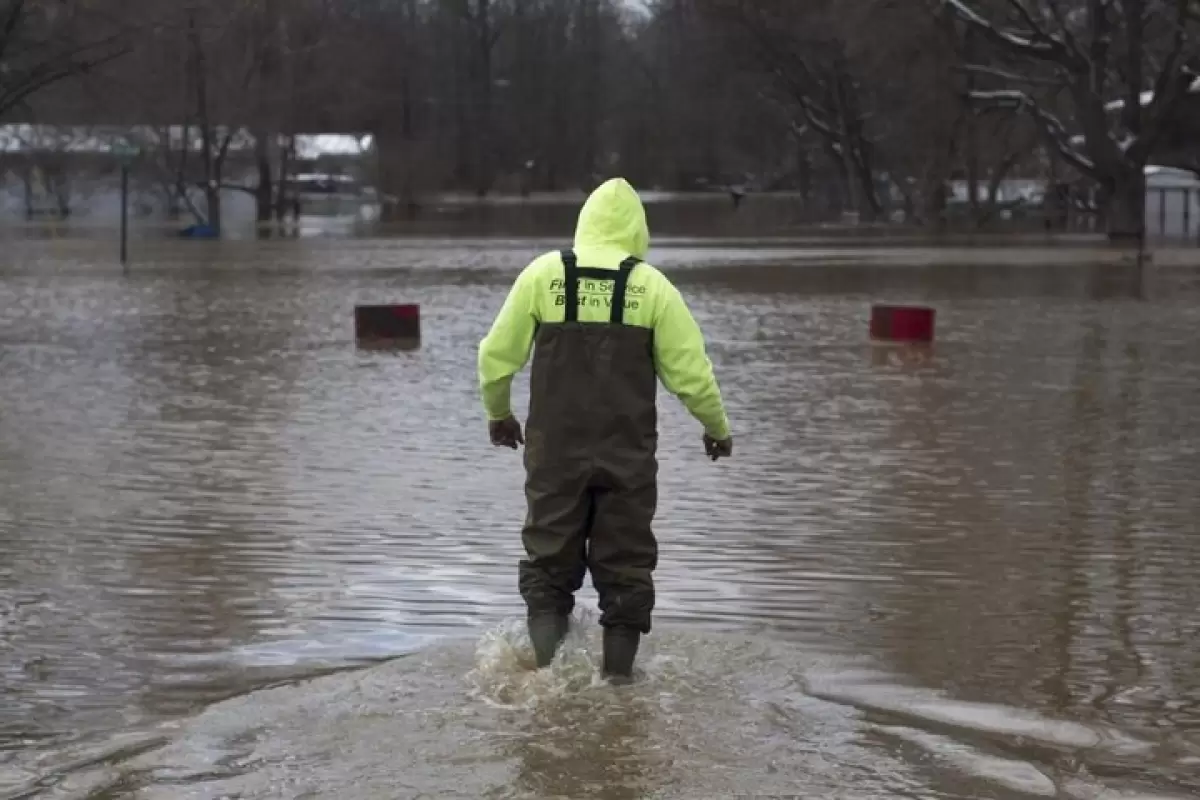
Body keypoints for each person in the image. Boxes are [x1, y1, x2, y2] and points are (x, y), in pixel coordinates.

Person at [477, 177, 732, 683]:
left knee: (548, 566)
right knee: (626, 569)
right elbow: (692, 375)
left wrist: (499, 413)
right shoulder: (653, 287)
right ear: (638, 230)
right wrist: (716, 428)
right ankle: (617, 684)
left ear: (584, 223)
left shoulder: (543, 275)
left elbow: (494, 356)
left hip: (553, 456)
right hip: (627, 460)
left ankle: (548, 681)